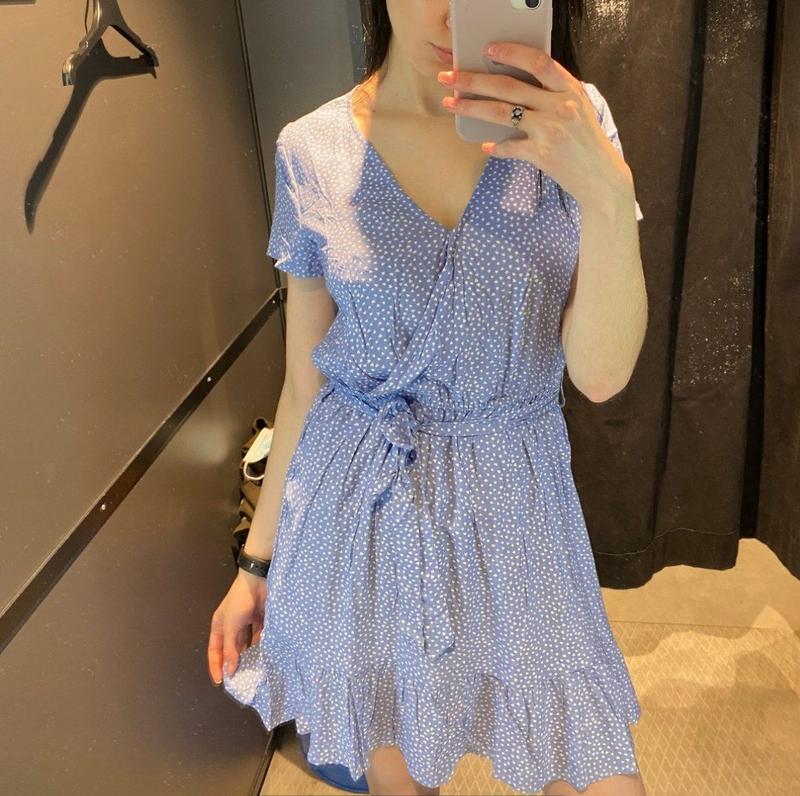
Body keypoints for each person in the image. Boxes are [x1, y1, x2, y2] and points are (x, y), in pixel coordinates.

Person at [208, 1, 648, 794]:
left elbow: (601, 375)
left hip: (518, 507)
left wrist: (608, 198)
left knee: (591, 765)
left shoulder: (571, 125)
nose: (451, 10)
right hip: (367, 511)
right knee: (401, 771)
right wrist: (256, 565)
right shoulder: (315, 150)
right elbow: (306, 386)